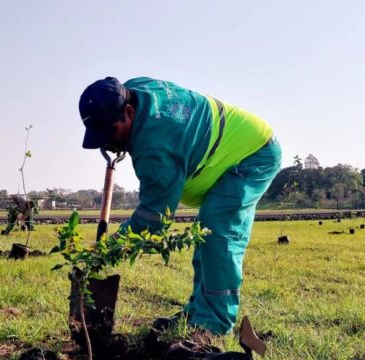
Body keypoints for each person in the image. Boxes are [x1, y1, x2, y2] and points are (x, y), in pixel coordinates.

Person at [78, 77, 282, 335]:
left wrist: (109, 249)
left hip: (252, 152)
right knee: (205, 232)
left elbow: (153, 218)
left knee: (217, 231)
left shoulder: (155, 147)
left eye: (110, 133)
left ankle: (213, 327)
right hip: (232, 146)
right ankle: (198, 313)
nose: (107, 143)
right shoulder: (135, 90)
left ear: (129, 112)